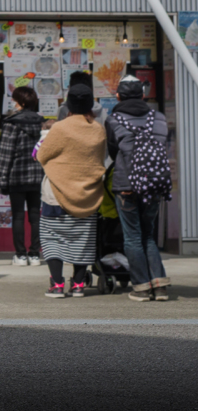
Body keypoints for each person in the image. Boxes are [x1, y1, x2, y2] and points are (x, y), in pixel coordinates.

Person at [36, 83, 107, 299]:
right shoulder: (98, 129)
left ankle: (57, 285)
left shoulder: (60, 127)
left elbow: (42, 156)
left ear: (69, 105)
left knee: (52, 238)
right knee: (83, 239)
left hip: (56, 193)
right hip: (88, 193)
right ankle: (78, 285)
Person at [105, 75, 172, 301]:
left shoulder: (113, 119)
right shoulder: (159, 118)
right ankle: (160, 286)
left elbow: (113, 152)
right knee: (148, 235)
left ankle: (141, 288)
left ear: (118, 96)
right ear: (143, 95)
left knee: (132, 237)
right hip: (154, 183)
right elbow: (164, 145)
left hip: (126, 184)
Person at [0, 86, 46, 266]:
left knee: (18, 216)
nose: (14, 103)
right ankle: (35, 254)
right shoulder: (43, 123)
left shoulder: (12, 123)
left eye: (16, 100)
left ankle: (20, 255)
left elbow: (5, 154)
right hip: (38, 176)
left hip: (16, 176)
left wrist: (2, 180)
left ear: (22, 103)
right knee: (35, 215)